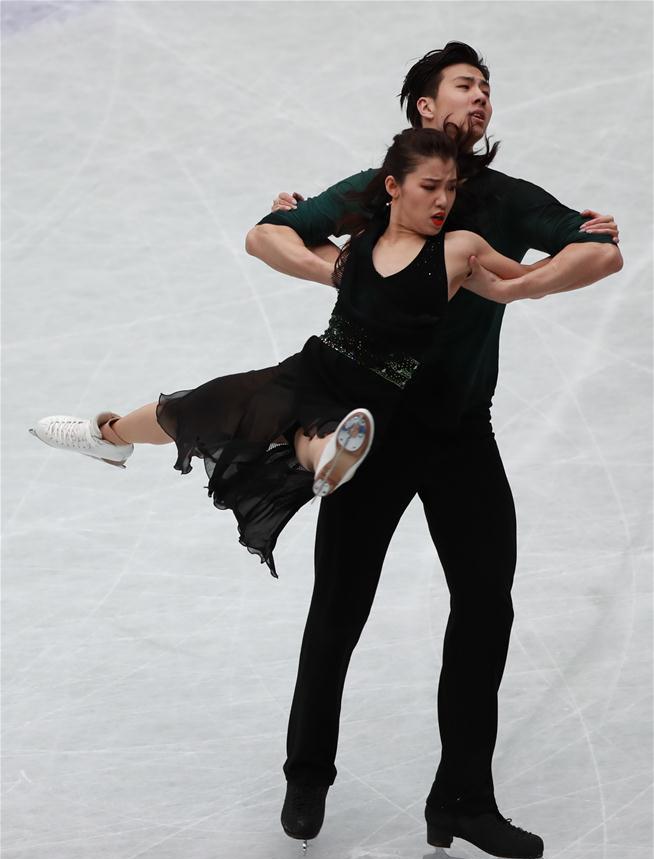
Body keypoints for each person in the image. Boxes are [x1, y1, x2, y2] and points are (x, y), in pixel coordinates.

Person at [246, 42, 623, 859]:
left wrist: (523, 285)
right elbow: (268, 234)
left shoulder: (504, 200)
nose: (480, 97)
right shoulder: (388, 185)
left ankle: (462, 798)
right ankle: (308, 770)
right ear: (423, 108)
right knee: (340, 608)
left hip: (460, 434)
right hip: (371, 435)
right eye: (463, 86)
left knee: (487, 605)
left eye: (487, 88)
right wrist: (338, 270)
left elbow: (602, 248)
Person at [30, 127, 541, 583]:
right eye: (431, 187)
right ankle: (108, 436)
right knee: (197, 407)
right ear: (394, 187)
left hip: (375, 394)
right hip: (315, 367)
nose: (442, 200)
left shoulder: (461, 249)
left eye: (450, 188)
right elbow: (296, 238)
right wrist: (288, 214)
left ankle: (333, 459)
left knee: (314, 436)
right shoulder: (362, 244)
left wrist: (587, 243)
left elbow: (518, 285)